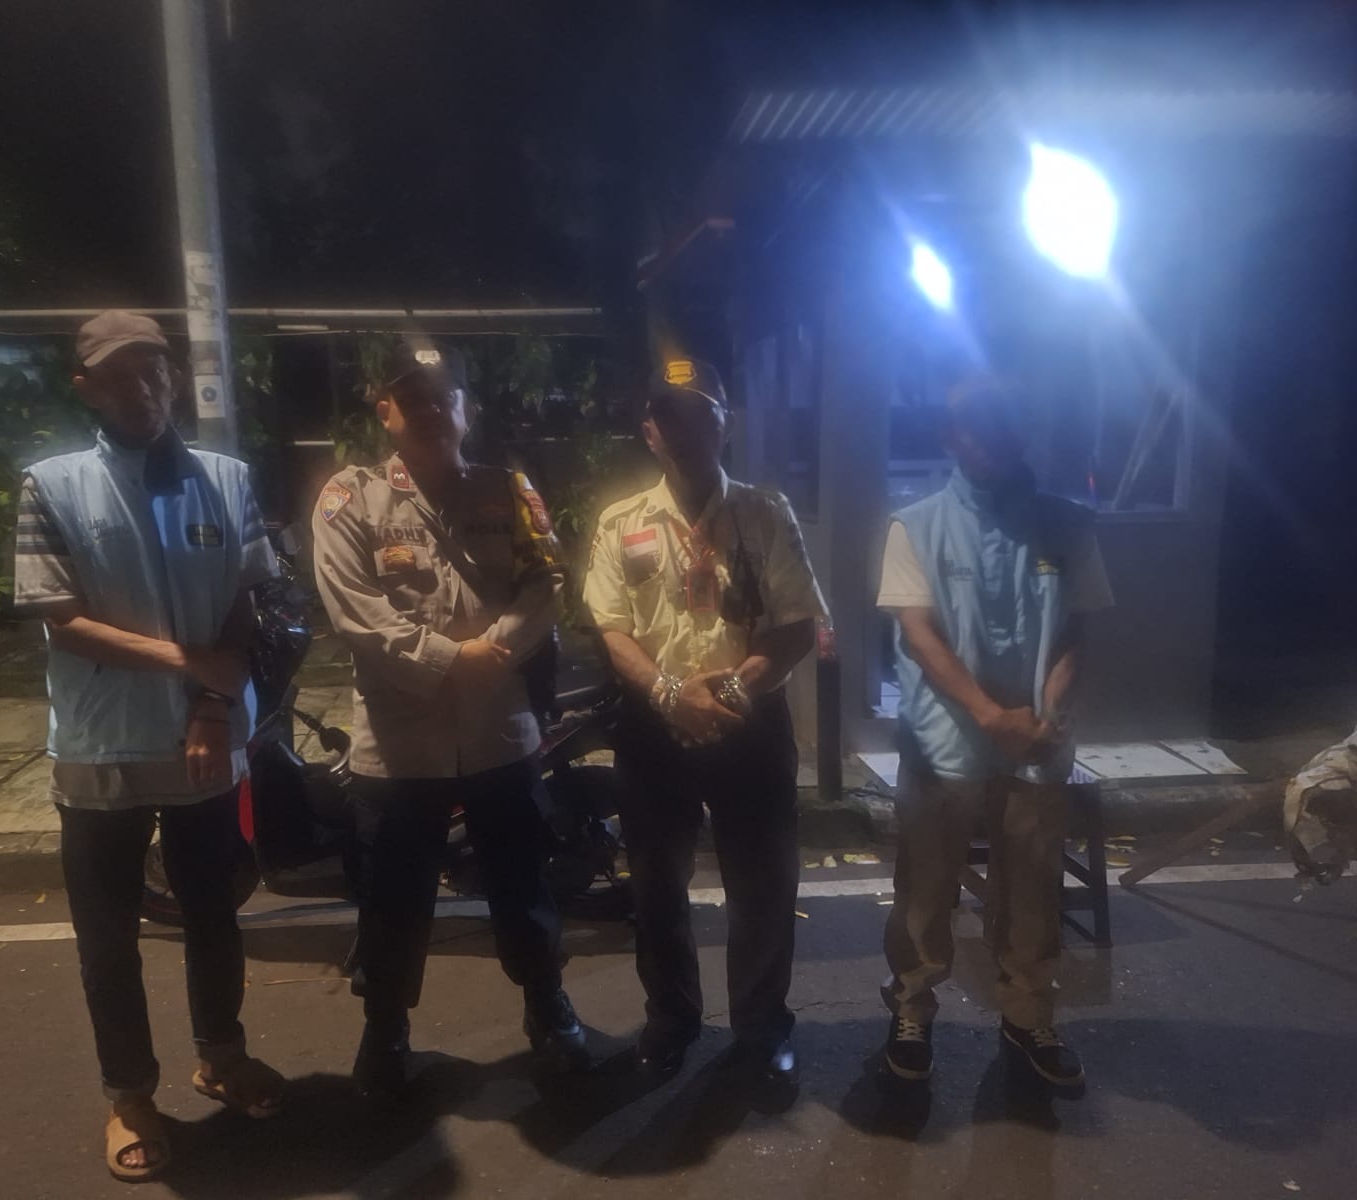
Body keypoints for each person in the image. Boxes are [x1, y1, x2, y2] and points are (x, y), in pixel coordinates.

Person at [13, 311, 286, 1182]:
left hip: (204, 739)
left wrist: (210, 702)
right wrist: (186, 660)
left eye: (156, 370)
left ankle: (221, 1055)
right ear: (86, 387)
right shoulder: (51, 485)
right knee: (108, 938)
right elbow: (62, 620)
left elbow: (245, 601)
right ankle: (130, 1097)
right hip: (99, 746)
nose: (145, 388)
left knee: (214, 913)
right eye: (121, 375)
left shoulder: (226, 479)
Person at [309, 337, 588, 1102]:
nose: (431, 410)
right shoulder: (351, 499)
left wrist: (497, 648)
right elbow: (355, 613)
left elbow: (547, 584)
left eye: (443, 397)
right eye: (414, 398)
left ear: (466, 408)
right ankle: (385, 1029)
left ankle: (547, 1004)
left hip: (500, 731)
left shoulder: (507, 490)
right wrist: (448, 659)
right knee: (393, 900)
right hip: (399, 745)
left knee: (523, 886)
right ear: (386, 411)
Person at [583, 358, 829, 1092]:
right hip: (653, 730)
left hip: (750, 724)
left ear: (727, 424)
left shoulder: (766, 514)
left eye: (702, 414)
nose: (686, 430)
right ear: (650, 430)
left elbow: (798, 625)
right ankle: (671, 1021)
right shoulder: (620, 522)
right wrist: (670, 694)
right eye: (670, 416)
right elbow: (613, 630)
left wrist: (732, 690)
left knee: (764, 886)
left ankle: (761, 1028)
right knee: (656, 887)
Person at [876, 380, 1114, 1088]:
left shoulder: (1067, 524)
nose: (989, 437)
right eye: (972, 427)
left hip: (1037, 740)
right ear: (950, 437)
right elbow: (919, 634)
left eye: (1001, 424)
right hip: (944, 739)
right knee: (926, 887)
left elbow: (1076, 630)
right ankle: (912, 1008)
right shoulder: (914, 525)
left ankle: (1027, 1013)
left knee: (1033, 889)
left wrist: (1043, 713)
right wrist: (988, 714)